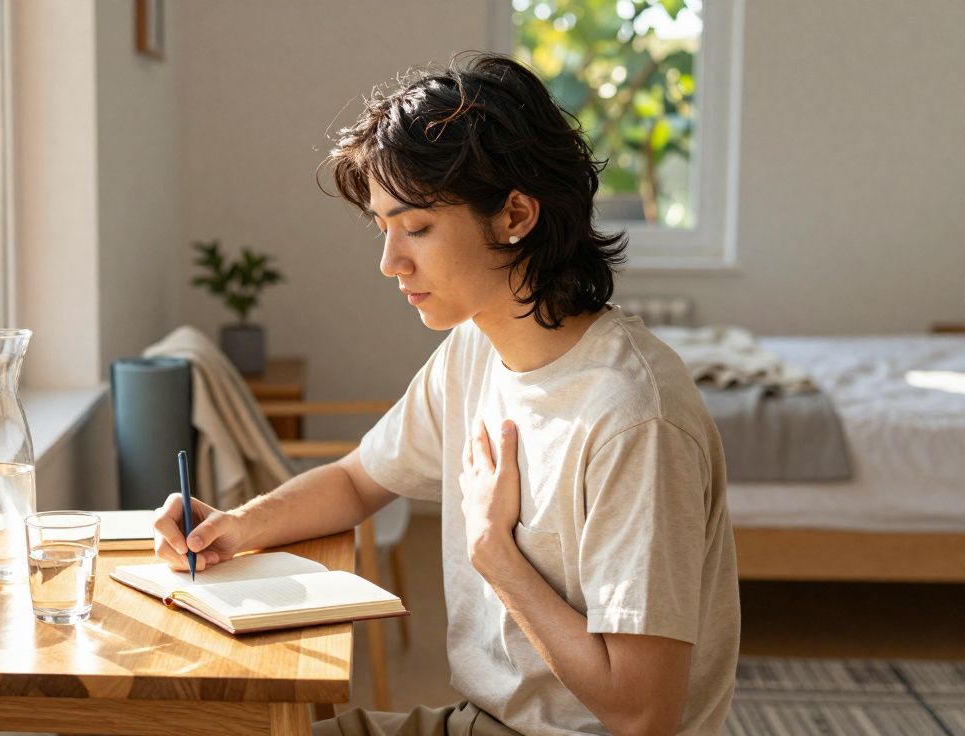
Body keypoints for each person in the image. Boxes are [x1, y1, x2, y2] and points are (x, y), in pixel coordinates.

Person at [153, 52, 739, 736]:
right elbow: (358, 480)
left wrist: (495, 553)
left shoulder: (633, 418)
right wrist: (232, 526)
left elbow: (644, 715)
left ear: (515, 214)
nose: (389, 262)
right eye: (383, 230)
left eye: (417, 228)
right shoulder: (475, 349)